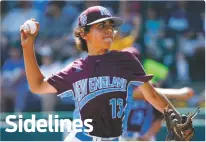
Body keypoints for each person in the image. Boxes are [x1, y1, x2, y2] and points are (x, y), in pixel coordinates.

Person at [20, 6, 189, 142]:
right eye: (101, 26)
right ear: (84, 33)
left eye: (110, 26)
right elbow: (38, 86)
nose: (109, 30)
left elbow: (151, 95)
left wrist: (179, 120)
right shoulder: (75, 69)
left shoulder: (126, 60)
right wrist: (28, 47)